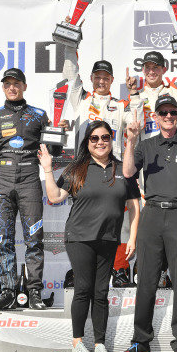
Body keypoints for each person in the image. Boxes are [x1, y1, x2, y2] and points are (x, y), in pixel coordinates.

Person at [38, 120, 140, 352]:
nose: (100, 142)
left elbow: (134, 207)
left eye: (105, 137)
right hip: (79, 238)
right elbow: (54, 197)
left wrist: (133, 238)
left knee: (101, 291)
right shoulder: (76, 168)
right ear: (87, 142)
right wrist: (48, 169)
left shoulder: (123, 169)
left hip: (109, 239)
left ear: (111, 139)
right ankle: (78, 344)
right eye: (94, 138)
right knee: (83, 289)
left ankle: (100, 344)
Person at [119, 94, 177, 352]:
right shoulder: (146, 145)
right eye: (163, 113)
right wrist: (131, 140)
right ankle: (140, 343)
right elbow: (126, 172)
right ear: (155, 117)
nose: (168, 116)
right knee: (145, 281)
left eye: (173, 112)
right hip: (152, 215)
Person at [0, 67, 61, 310]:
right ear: (3, 88)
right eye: (7, 84)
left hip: (29, 180)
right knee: (4, 239)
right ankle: (8, 291)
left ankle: (34, 292)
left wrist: (58, 131)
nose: (12, 87)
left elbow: (53, 151)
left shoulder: (39, 115)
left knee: (34, 238)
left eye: (17, 83)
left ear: (24, 86)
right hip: (2, 180)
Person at [60, 34, 142, 288]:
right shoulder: (81, 99)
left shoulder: (120, 104)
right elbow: (71, 74)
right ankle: (80, 270)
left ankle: (120, 269)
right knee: (81, 218)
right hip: (85, 166)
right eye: (98, 76)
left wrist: (135, 93)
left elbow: (136, 124)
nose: (102, 80)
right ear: (92, 78)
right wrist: (70, 42)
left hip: (114, 166)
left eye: (106, 77)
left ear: (111, 80)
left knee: (119, 220)